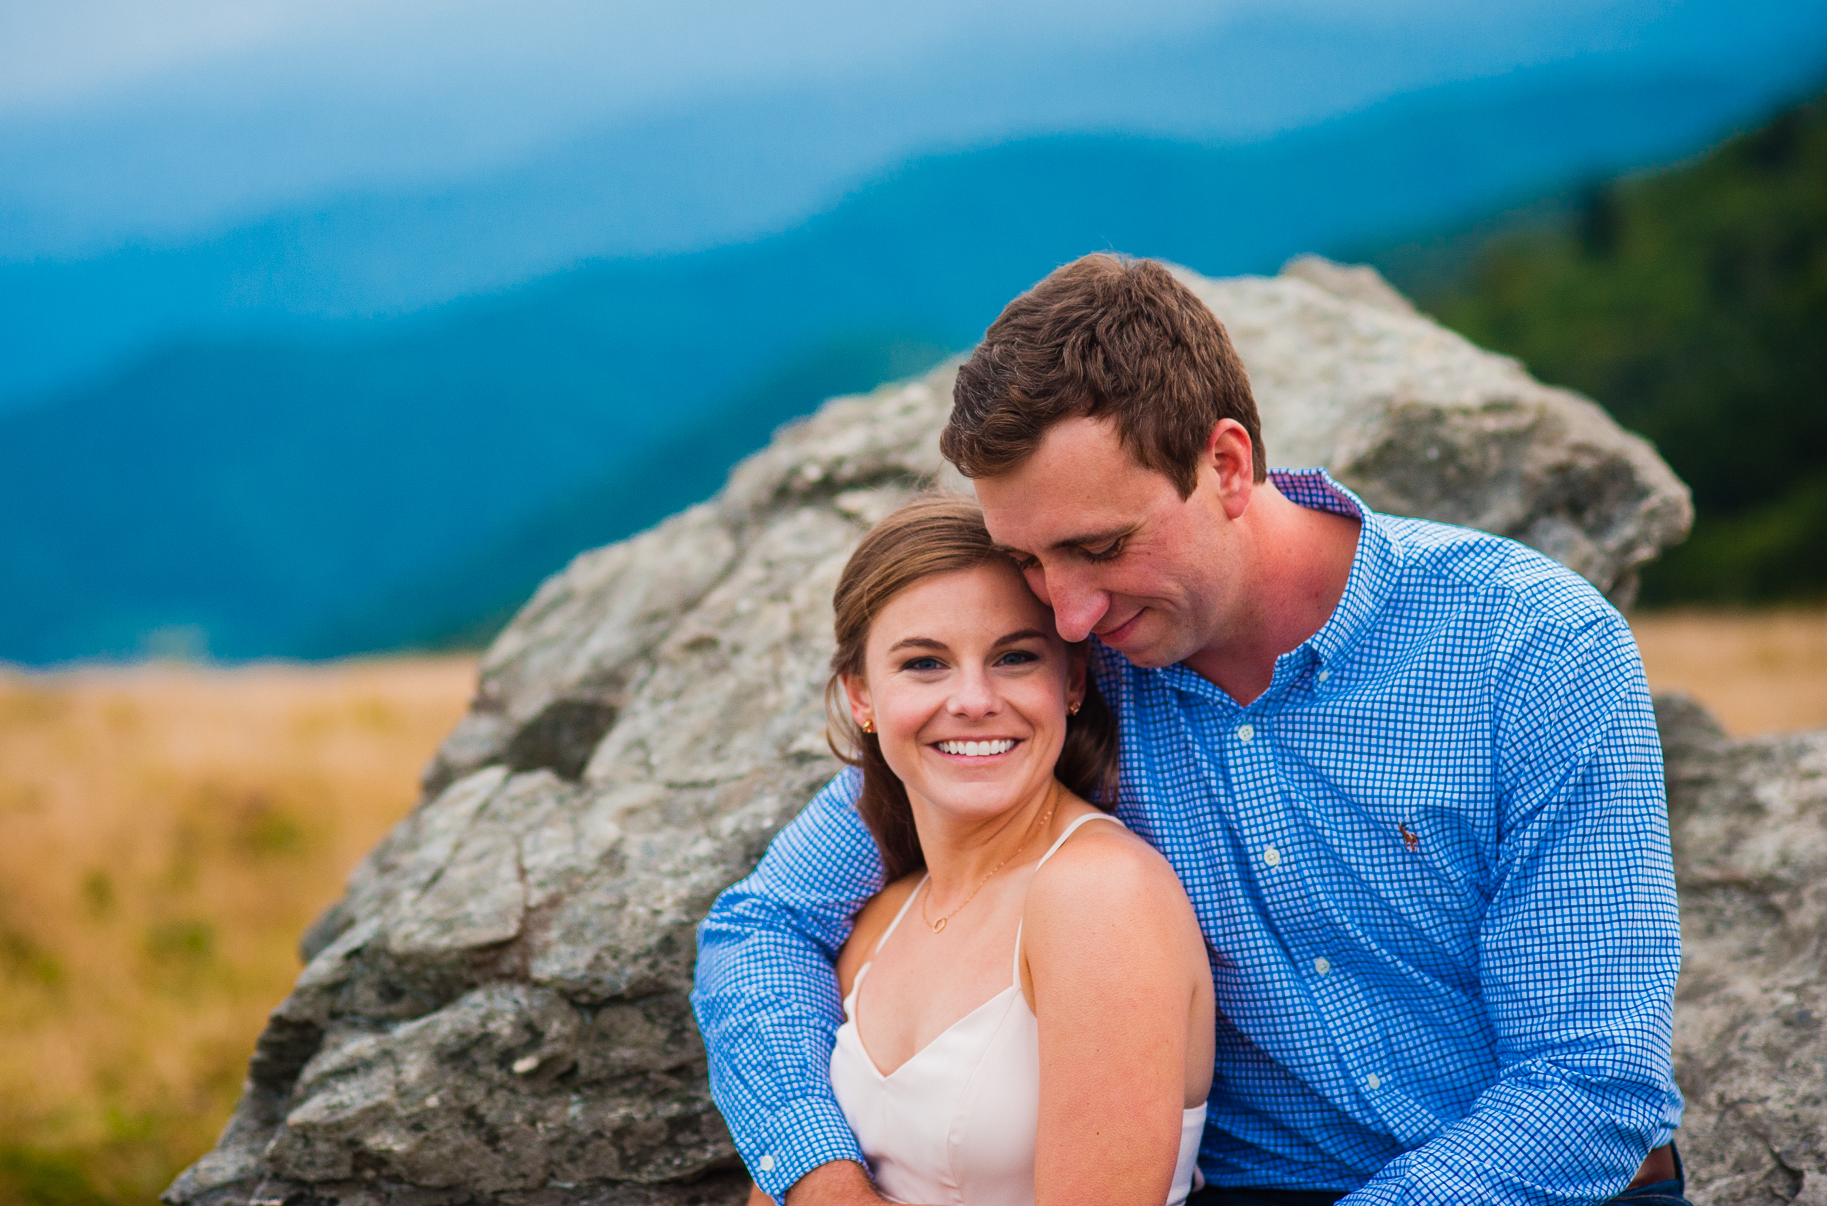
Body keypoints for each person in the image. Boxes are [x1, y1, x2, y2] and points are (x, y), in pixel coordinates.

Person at [694, 254, 1687, 1206]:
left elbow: (1590, 1081)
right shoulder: (1066, 680)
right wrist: (820, 1177)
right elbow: (765, 924)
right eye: (1031, 560)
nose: (1068, 612)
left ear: (1223, 463)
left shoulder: (1530, 647)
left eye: (1098, 547)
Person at [736, 494, 1215, 1206]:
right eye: (925, 663)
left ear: (1072, 681)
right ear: (861, 697)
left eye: (1015, 657)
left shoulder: (1100, 895)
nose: (972, 698)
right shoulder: (881, 915)